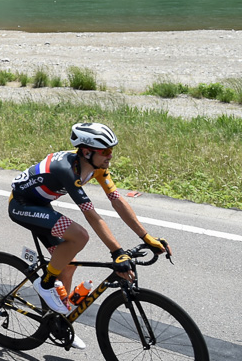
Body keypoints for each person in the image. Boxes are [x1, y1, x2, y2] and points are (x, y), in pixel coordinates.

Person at [9, 123, 168, 324]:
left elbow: (117, 200)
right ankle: (45, 283)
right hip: (22, 205)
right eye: (105, 151)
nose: (110, 155)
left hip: (42, 205)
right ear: (86, 152)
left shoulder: (97, 167)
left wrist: (146, 236)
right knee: (79, 236)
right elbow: (91, 214)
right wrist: (117, 252)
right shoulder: (66, 170)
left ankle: (59, 321)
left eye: (111, 150)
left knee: (67, 267)